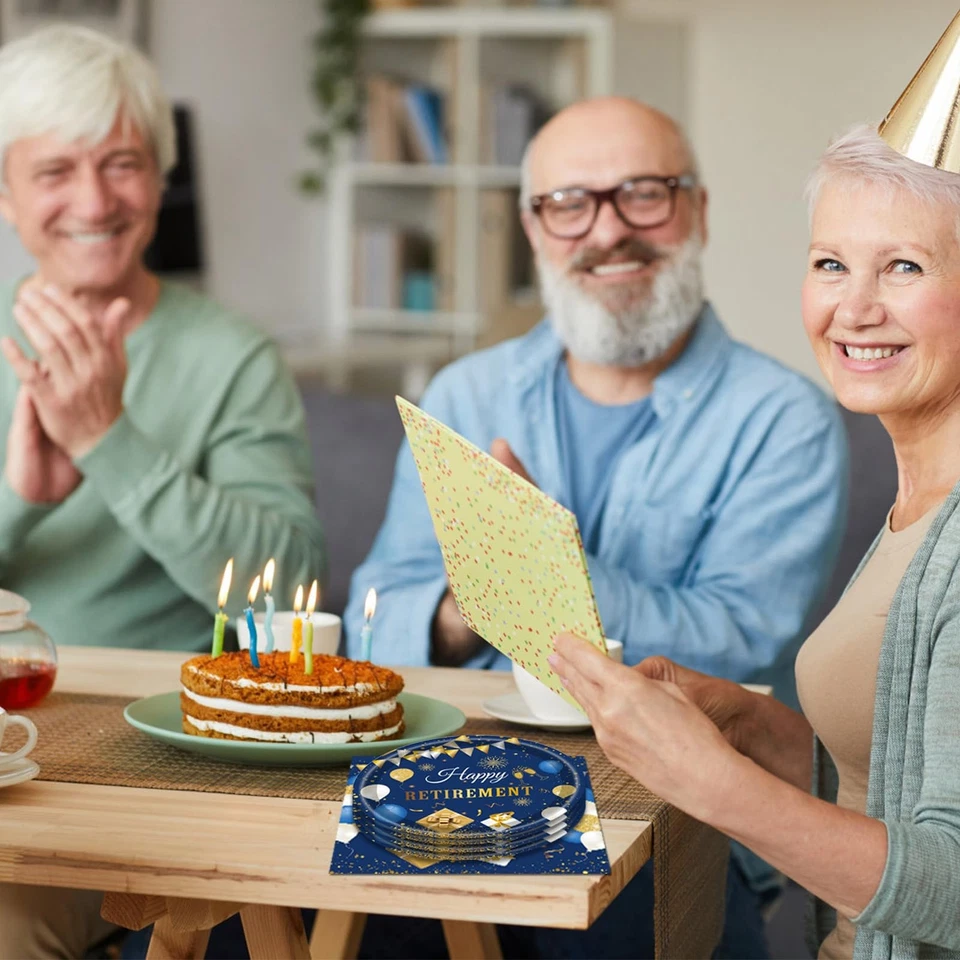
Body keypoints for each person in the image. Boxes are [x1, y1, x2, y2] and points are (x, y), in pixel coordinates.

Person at [345, 97, 849, 957]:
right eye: (570, 203)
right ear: (535, 229)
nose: (608, 231)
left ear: (696, 210)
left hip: (677, 812)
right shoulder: (466, 395)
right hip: (457, 791)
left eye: (643, 194)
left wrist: (547, 566)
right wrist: (461, 610)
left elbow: (737, 642)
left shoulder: (785, 419)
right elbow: (374, 612)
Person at [551, 115, 960, 959]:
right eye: (830, 264)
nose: (853, 307)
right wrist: (752, 729)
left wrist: (708, 780)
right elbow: (891, 782)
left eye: (905, 267)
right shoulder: (918, 506)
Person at [0, 26, 325, 959]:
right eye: (55, 170)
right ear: (9, 195)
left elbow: (286, 589)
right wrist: (23, 495)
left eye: (123, 164)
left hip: (157, 760)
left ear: (159, 178)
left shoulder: (234, 359)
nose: (95, 201)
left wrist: (110, 440)